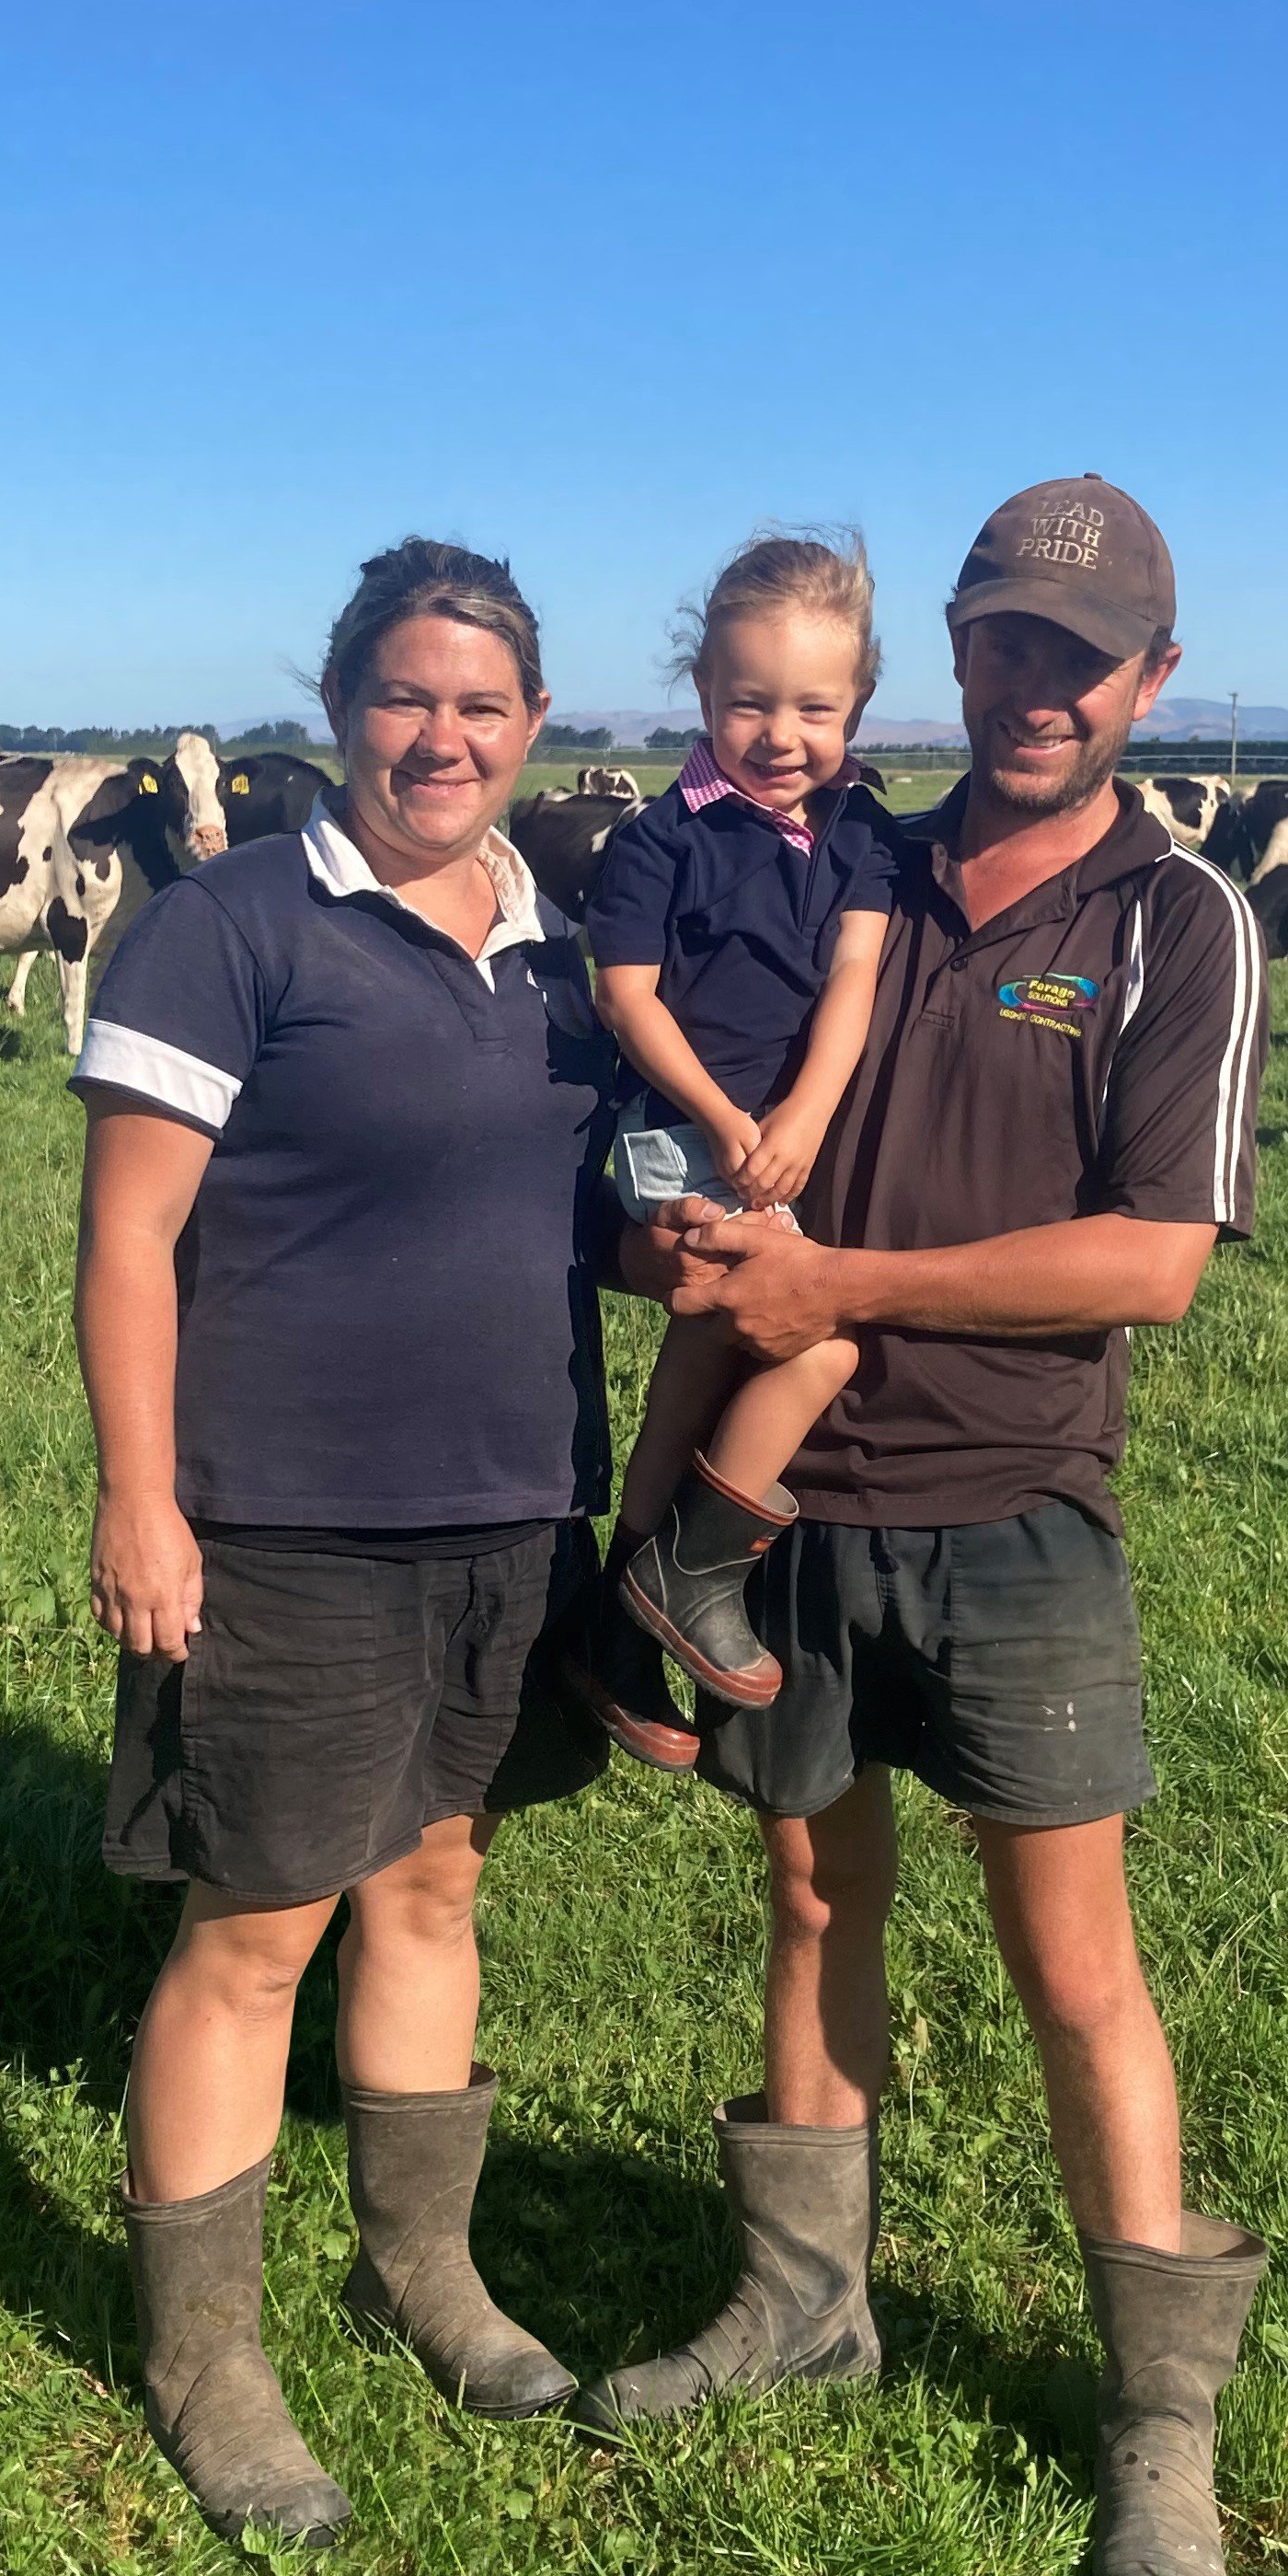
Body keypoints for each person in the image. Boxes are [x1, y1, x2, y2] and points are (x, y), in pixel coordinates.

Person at [579, 476, 1272, 2576]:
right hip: (782, 1503)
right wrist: (671, 1257)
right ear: (949, 658)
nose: (1038, 689)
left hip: (1015, 1503)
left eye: (1086, 657)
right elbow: (655, 1137)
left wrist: (840, 1282)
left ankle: (1161, 2434)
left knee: (1075, 1954)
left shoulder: (1176, 924)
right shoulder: (846, 860)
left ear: (1152, 680)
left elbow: (1151, 1263)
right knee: (809, 1893)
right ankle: (805, 2305)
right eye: (1005, 644)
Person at [71, 537, 615, 2551]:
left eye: (483, 705)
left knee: (437, 1888)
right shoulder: (231, 930)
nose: (442, 736)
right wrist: (144, 1497)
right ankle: (207, 2360)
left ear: (535, 728)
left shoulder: (561, 942)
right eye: (406, 697)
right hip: (283, 1517)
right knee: (254, 1926)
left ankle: (422, 2267)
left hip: (510, 1505)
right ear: (340, 709)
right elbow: (129, 1235)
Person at [568, 530, 900, 1763]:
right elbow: (627, 999)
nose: (781, 733)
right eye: (748, 701)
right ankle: (690, 1577)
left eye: (815, 707)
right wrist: (728, 1122)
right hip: (684, 1135)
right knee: (820, 1347)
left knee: (703, 1364)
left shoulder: (862, 831)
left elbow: (855, 975)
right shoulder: (663, 840)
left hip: (778, 1137)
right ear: (703, 694)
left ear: (857, 701)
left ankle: (613, 1621)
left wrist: (806, 1117)